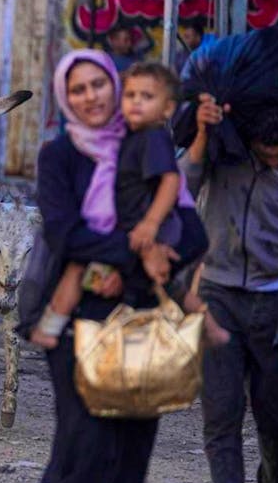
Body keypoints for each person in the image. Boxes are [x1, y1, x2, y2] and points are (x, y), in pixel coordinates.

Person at [25, 49, 208, 483]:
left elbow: (193, 234)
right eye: (77, 89)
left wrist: (149, 258)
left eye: (98, 84)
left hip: (140, 319)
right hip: (78, 320)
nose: (90, 97)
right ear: (65, 97)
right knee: (83, 451)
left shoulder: (146, 143)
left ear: (114, 83)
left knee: (131, 455)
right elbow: (65, 235)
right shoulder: (60, 156)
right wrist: (138, 254)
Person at [31, 62, 217, 348]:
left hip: (147, 232)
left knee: (156, 283)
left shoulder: (151, 138)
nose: (135, 103)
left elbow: (171, 184)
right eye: (130, 96)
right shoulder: (101, 144)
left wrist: (147, 232)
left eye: (146, 97)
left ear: (167, 108)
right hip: (123, 234)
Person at [184, 94, 278, 483]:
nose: (271, 162)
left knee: (275, 423)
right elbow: (181, 188)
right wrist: (201, 134)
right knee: (221, 417)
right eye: (264, 154)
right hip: (218, 297)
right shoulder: (223, 153)